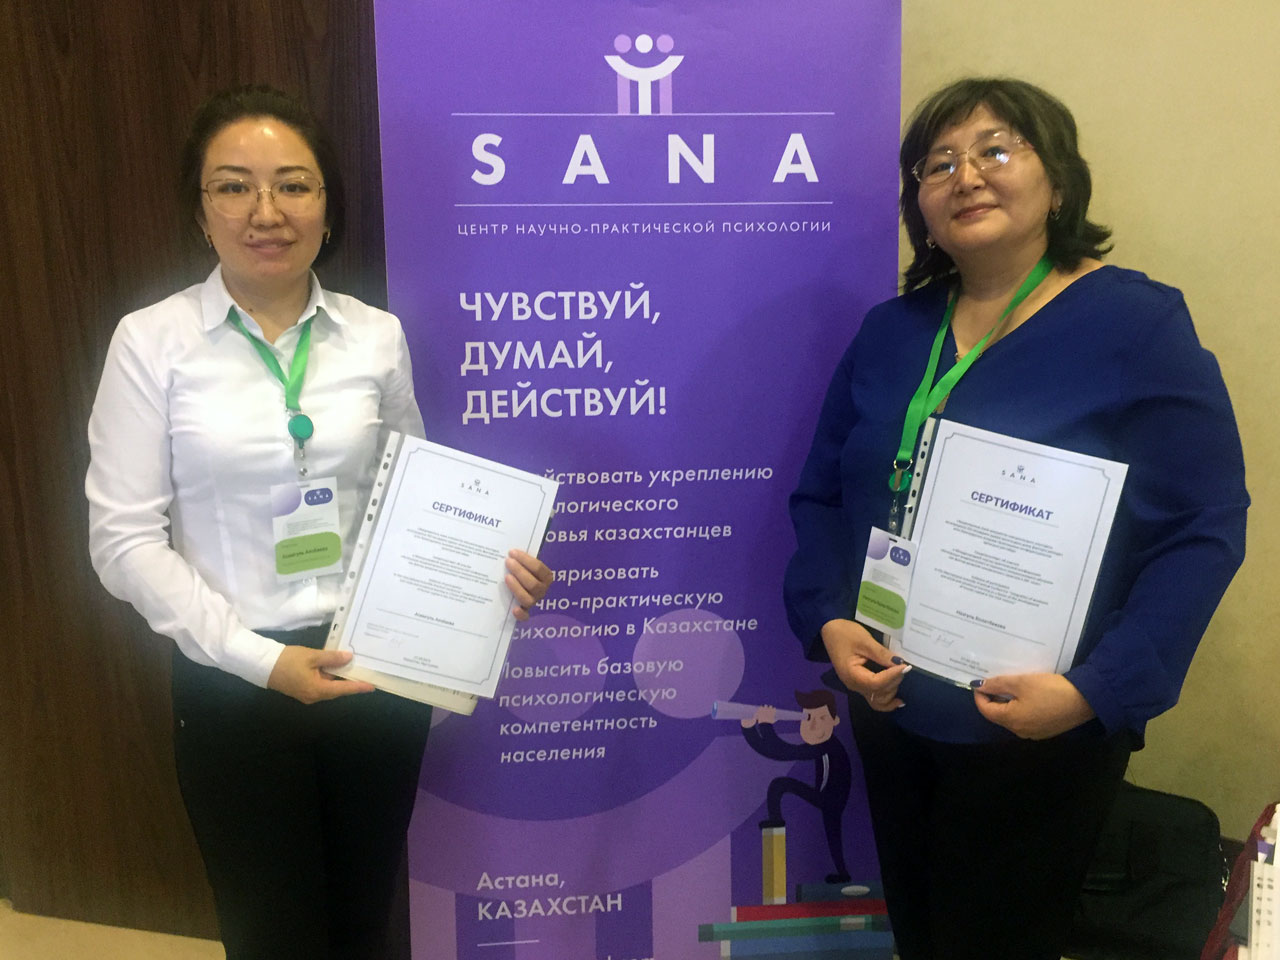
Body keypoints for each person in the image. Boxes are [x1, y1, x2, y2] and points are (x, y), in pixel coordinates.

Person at [783, 77, 1247, 960]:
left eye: (996, 149)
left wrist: (1096, 692)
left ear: (1059, 182)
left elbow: (1204, 525)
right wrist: (830, 618)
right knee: (922, 933)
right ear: (920, 205)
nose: (967, 176)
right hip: (891, 698)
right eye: (939, 163)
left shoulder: (1135, 324)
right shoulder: (891, 331)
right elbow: (823, 495)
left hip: (1039, 723)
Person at [85, 85, 553, 960]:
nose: (266, 211)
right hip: (234, 682)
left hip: (374, 670)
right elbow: (122, 541)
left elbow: (413, 495)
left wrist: (492, 569)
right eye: (234, 186)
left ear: (327, 207)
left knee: (361, 923)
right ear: (201, 209)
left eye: (293, 185)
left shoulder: (374, 337)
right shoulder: (151, 343)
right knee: (273, 936)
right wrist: (262, 661)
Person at [740, 690, 853, 883]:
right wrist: (750, 728)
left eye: (821, 718)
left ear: (835, 721)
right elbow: (773, 752)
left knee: (831, 830)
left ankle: (842, 873)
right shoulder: (821, 745)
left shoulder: (827, 746)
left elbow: (785, 752)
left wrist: (766, 725)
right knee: (779, 786)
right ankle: (775, 826)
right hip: (824, 796)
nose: (814, 725)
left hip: (831, 800)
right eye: (808, 718)